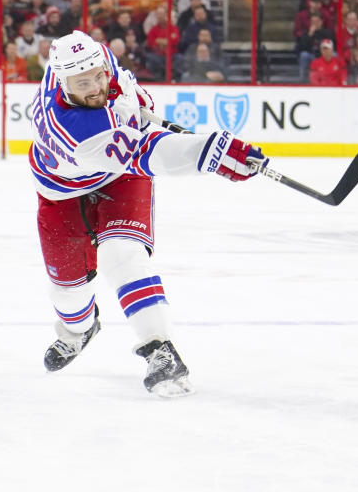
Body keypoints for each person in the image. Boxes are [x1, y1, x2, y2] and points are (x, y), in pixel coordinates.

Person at [29, 30, 267, 396]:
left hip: (121, 176)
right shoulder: (75, 130)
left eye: (98, 75)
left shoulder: (96, 58)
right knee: (68, 293)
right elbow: (151, 152)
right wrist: (212, 153)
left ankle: (160, 349)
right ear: (62, 81)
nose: (95, 86)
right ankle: (79, 329)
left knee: (121, 254)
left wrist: (132, 100)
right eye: (83, 83)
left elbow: (127, 90)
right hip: (60, 191)